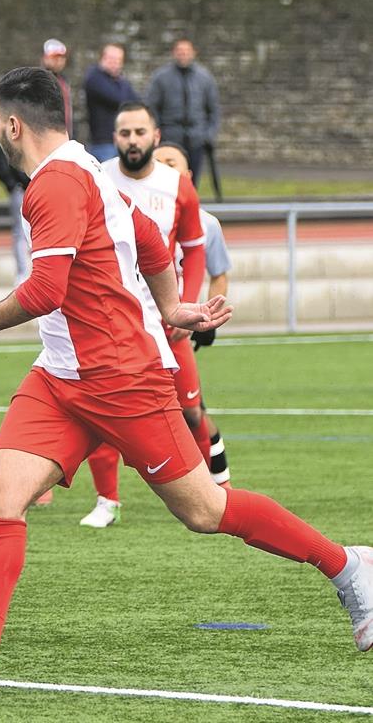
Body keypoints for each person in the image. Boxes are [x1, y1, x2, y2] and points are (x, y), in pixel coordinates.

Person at [0, 66, 373, 694]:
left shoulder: (56, 184)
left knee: (206, 510)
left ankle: (350, 567)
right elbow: (151, 242)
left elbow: (47, 291)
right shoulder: (88, 172)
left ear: (12, 125)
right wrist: (172, 304)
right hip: (61, 378)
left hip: (124, 376)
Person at [78, 108, 216, 528]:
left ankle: (209, 492)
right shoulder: (96, 177)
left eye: (140, 132)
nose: (132, 140)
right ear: (114, 137)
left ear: (155, 135)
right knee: (103, 412)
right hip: (112, 320)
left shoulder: (178, 186)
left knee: (191, 412)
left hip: (166, 319)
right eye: (124, 133)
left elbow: (194, 247)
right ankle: (108, 500)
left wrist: (185, 303)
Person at [154, 141, 232, 486]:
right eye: (158, 163)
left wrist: (206, 322)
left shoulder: (206, 224)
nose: (163, 168)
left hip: (177, 331)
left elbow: (219, 273)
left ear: (186, 175)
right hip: (137, 328)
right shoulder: (128, 215)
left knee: (191, 411)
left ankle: (219, 481)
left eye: (171, 162)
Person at [145, 38, 220, 187]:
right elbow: (152, 108)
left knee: (192, 181)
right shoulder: (161, 77)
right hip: (170, 137)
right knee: (167, 180)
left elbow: (213, 110)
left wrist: (208, 135)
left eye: (186, 51)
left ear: (193, 53)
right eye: (180, 51)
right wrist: (159, 133)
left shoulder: (205, 78)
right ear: (174, 53)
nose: (183, 54)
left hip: (196, 138)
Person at [83, 43, 138, 163]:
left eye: (118, 60)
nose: (115, 63)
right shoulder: (94, 77)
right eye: (111, 58)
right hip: (103, 142)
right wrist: (120, 80)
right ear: (102, 58)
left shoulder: (118, 81)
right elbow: (119, 99)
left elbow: (136, 102)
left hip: (121, 140)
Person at [0, 140, 30, 287]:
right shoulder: (4, 141)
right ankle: (22, 273)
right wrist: (12, 185)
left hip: (33, 187)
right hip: (20, 190)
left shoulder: (27, 138)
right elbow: (2, 164)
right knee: (20, 233)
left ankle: (31, 272)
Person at [41, 39, 72, 138]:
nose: (59, 61)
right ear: (45, 58)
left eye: (61, 58)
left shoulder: (64, 81)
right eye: (54, 57)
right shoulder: (39, 79)